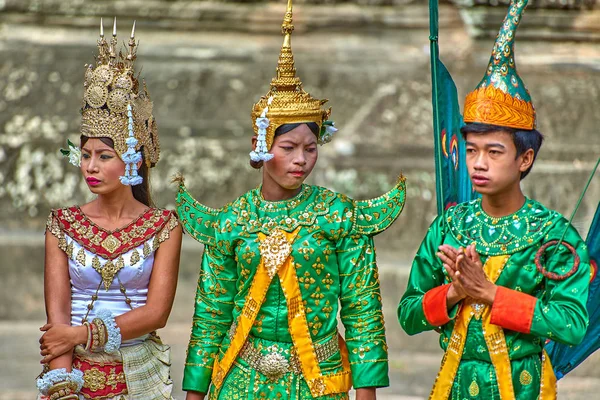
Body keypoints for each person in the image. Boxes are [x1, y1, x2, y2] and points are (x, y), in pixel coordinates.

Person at [176, 1, 406, 399]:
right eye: (288, 147)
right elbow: (211, 314)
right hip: (240, 381)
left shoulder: (338, 217)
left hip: (318, 378)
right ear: (260, 145)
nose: (301, 159)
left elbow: (361, 310)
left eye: (310, 148)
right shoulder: (233, 221)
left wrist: (366, 391)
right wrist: (195, 392)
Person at [398, 1, 590, 398]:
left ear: (525, 158)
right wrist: (452, 293)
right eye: (470, 151)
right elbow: (408, 314)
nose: (478, 164)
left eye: (493, 152)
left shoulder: (553, 235)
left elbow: (572, 323)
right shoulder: (450, 226)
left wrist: (491, 294)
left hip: (523, 387)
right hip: (453, 386)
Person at [36, 18, 182, 400]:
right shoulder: (61, 225)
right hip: (73, 374)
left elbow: (156, 315)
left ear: (132, 160)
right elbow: (57, 321)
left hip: (140, 375)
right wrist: (62, 385)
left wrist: (82, 333)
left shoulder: (164, 226)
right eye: (85, 155)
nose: (91, 167)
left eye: (104, 155)